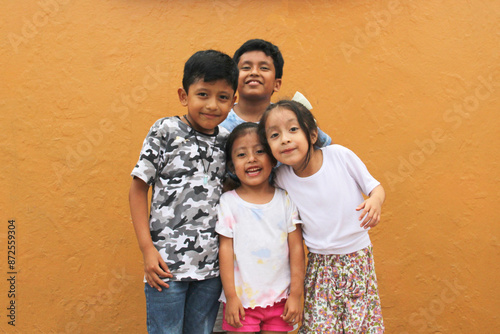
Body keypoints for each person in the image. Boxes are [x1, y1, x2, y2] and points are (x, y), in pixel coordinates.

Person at [128, 49, 238, 334]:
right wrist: (147, 249)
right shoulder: (165, 130)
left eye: (223, 97)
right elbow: (138, 189)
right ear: (183, 95)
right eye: (203, 94)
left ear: (233, 101)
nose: (212, 105)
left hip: (211, 270)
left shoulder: (228, 141)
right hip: (165, 267)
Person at [258, 100, 386, 333]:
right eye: (274, 135)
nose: (285, 139)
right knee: (320, 326)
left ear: (313, 134)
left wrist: (375, 201)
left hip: (357, 259)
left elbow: (375, 188)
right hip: (319, 264)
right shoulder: (281, 178)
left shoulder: (340, 156)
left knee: (360, 326)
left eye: (293, 129)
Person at [216, 122, 305, 334]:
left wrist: (296, 295)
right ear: (231, 166)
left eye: (259, 151)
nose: (252, 159)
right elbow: (225, 251)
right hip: (242, 302)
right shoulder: (228, 202)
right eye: (241, 155)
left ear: (273, 159)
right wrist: (230, 296)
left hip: (281, 300)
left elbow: (297, 249)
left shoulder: (285, 199)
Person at [219, 39, 331, 147]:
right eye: (246, 67)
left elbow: (329, 148)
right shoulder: (219, 119)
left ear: (276, 84)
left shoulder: (292, 117)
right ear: (234, 79)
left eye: (263, 68)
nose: (254, 72)